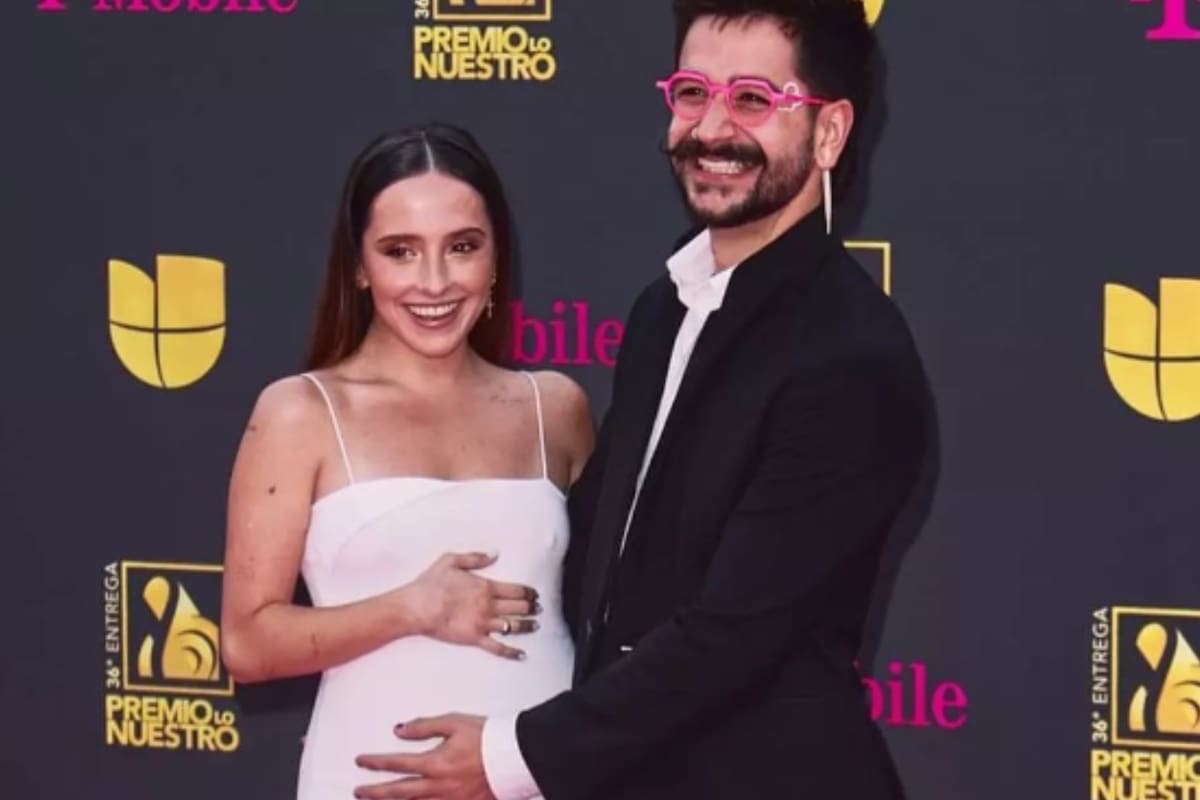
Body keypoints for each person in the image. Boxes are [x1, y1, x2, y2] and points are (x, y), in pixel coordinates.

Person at [351, 1, 931, 798]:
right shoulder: (667, 309)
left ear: (828, 132)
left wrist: (505, 758)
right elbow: (604, 561)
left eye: (754, 100)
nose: (712, 128)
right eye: (692, 92)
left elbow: (735, 633)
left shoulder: (849, 356)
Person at [218, 124, 593, 800]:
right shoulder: (300, 413)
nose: (435, 282)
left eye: (462, 247)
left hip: (539, 783)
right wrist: (411, 607)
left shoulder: (555, 407)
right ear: (359, 265)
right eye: (400, 251)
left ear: (496, 256)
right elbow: (246, 643)